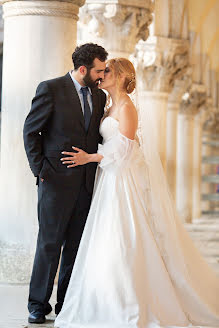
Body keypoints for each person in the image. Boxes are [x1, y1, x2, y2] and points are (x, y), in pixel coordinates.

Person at [55, 57, 219, 328]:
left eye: (107, 71)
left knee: (124, 236)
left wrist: (91, 158)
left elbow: (126, 150)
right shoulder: (109, 106)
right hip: (109, 178)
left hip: (122, 180)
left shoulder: (127, 107)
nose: (102, 74)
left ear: (120, 77)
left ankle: (131, 301)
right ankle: (104, 296)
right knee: (106, 236)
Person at [23, 43, 108, 324]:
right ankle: (37, 305)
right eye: (98, 70)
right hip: (55, 182)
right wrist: (41, 170)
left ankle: (66, 304)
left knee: (75, 246)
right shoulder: (51, 89)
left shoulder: (99, 97)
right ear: (82, 69)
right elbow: (31, 131)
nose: (102, 75)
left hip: (85, 184)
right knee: (49, 244)